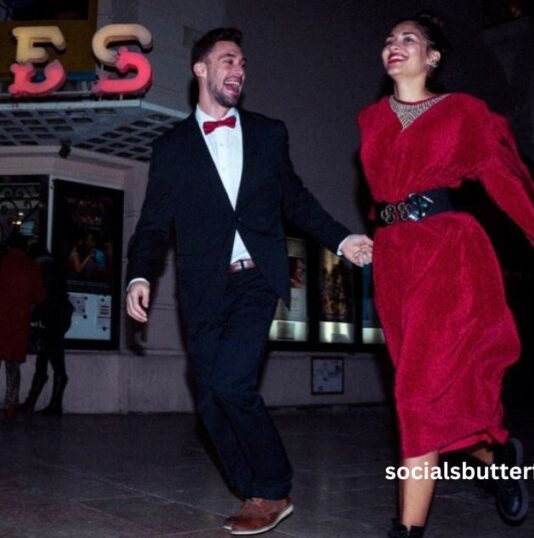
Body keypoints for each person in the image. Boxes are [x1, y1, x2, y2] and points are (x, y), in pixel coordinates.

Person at [125, 27, 373, 536]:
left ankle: (273, 486)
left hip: (257, 278)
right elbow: (153, 225)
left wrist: (342, 240)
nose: (239, 70)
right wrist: (138, 276)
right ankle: (250, 486)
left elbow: (297, 200)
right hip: (202, 286)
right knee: (210, 392)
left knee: (233, 379)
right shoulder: (171, 148)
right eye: (229, 60)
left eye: (243, 64)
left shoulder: (267, 133)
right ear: (201, 69)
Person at [357, 13, 534, 537]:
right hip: (395, 261)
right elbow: (380, 199)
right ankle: (500, 458)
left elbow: (509, 186)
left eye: (409, 39)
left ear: (433, 57)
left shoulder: (463, 112)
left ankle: (407, 531)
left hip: (448, 255)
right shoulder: (370, 120)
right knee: (439, 402)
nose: (395, 45)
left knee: (415, 397)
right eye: (389, 38)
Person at [0, 233, 45, 419]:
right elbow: (39, 296)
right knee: (13, 366)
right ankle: (10, 405)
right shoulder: (32, 266)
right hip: (18, 321)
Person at [20, 244, 75, 415]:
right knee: (49, 359)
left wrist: (33, 314)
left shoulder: (42, 269)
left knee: (48, 360)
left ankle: (38, 402)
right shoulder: (53, 267)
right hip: (58, 318)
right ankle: (43, 403)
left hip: (52, 319)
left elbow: (43, 297)